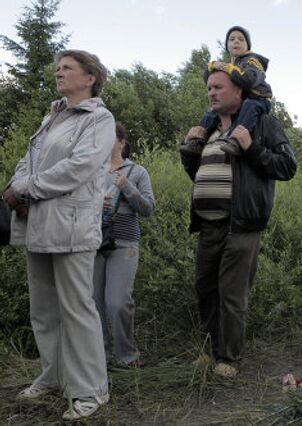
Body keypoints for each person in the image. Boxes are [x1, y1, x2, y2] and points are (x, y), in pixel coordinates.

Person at [2, 50, 113, 420]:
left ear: (90, 78)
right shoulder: (52, 117)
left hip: (72, 228)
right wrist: (17, 183)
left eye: (67, 68)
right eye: (58, 68)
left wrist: (26, 189)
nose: (59, 73)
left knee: (77, 310)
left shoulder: (99, 118)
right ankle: (53, 377)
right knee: (45, 311)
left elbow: (78, 167)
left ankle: (91, 391)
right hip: (38, 225)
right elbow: (27, 161)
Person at [180, 69, 296, 378]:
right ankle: (208, 350)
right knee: (205, 287)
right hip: (207, 223)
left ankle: (228, 358)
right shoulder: (210, 129)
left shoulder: (263, 124)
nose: (211, 92)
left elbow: (287, 166)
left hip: (242, 222)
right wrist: (190, 149)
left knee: (231, 293)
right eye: (209, 88)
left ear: (238, 93)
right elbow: (200, 174)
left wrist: (251, 147)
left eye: (218, 87)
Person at [93, 123, 155, 367]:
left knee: (117, 302)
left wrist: (126, 187)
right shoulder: (93, 171)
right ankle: (102, 357)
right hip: (94, 243)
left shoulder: (137, 172)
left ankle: (127, 356)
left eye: (110, 138)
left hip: (124, 243)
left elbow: (148, 209)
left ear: (121, 142)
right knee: (94, 303)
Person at [180, 25, 272, 157]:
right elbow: (211, 80)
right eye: (232, 39)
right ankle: (199, 141)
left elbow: (250, 80)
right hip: (240, 100)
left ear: (248, 46)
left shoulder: (253, 61)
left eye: (241, 39)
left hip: (258, 99)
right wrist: (211, 67)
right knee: (213, 110)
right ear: (227, 45)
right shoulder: (231, 66)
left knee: (249, 106)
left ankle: (236, 141)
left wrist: (228, 69)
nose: (236, 41)